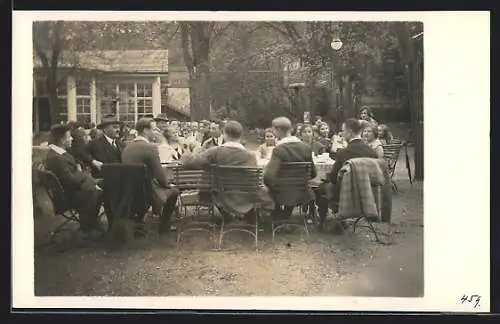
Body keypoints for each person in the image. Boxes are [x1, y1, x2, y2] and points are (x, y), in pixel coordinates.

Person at [182, 121, 273, 223]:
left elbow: (189, 163)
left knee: (213, 185)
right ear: (241, 135)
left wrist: (191, 150)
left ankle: (228, 216)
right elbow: (255, 181)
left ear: (224, 134)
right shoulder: (250, 156)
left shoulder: (214, 152)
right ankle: (249, 216)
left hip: (222, 197)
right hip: (245, 197)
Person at [121, 118, 180, 235]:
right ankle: (164, 226)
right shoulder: (151, 148)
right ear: (145, 131)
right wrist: (167, 185)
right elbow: (159, 174)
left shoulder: (127, 147)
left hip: (128, 190)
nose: (155, 132)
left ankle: (139, 221)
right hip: (146, 191)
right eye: (153, 129)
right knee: (174, 191)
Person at [44, 124, 103, 239]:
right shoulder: (56, 157)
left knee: (101, 185)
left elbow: (75, 173)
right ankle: (87, 228)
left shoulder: (59, 153)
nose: (72, 139)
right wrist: (84, 176)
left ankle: (91, 223)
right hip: (66, 197)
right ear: (62, 139)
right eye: (69, 136)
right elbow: (71, 180)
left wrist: (81, 174)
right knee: (98, 192)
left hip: (69, 191)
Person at [263, 117, 317, 220]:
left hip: (281, 193)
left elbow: (268, 177)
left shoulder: (279, 150)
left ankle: (279, 216)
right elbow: (313, 174)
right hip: (302, 192)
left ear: (277, 130)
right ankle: (284, 215)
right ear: (290, 129)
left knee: (267, 187)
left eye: (273, 130)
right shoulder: (306, 147)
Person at [325, 119, 378, 211]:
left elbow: (333, 178)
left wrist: (326, 177)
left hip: (346, 195)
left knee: (321, 188)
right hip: (368, 196)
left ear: (349, 132)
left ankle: (323, 221)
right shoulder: (372, 152)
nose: (342, 134)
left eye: (343, 131)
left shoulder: (343, 153)